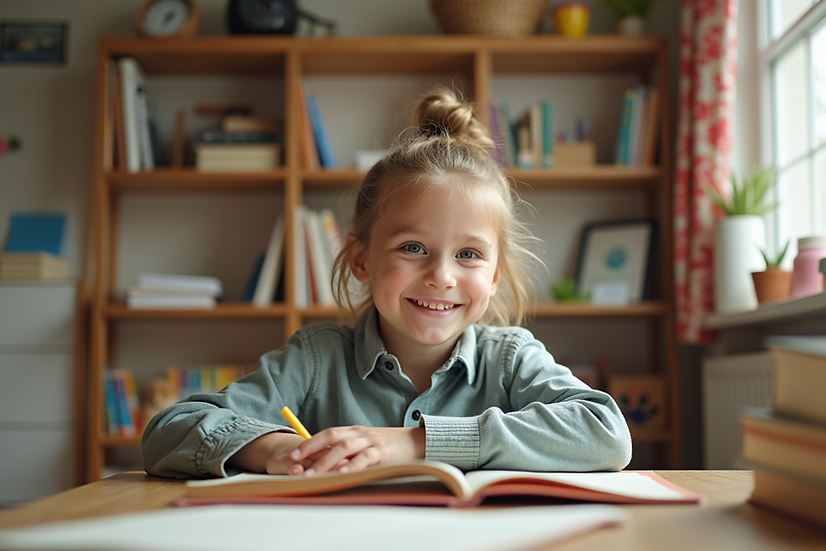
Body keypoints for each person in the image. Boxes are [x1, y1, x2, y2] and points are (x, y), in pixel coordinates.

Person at [141, 89, 632, 479]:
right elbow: (167, 430)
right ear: (360, 259)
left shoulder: (510, 359)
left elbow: (607, 433)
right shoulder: (316, 359)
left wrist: (414, 443)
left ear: (496, 273)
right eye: (413, 248)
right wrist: (273, 450)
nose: (442, 276)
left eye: (468, 255)